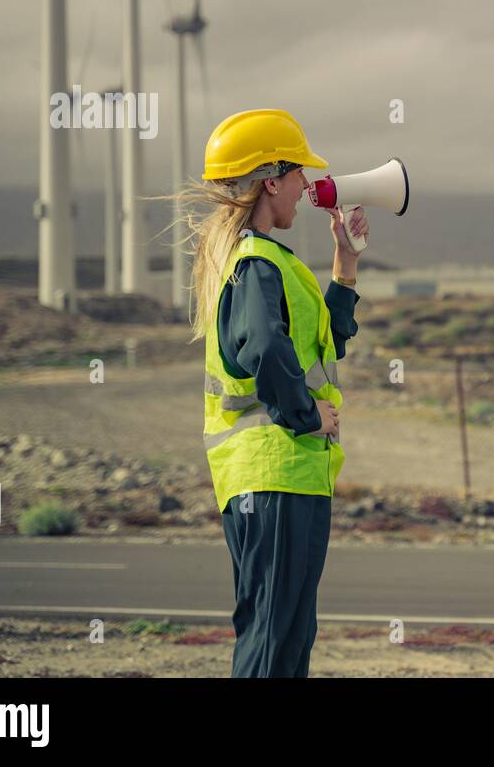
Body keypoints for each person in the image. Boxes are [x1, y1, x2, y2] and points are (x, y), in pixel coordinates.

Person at [182, 108, 368, 677]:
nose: (306, 187)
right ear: (271, 180)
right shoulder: (258, 263)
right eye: (297, 175)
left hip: (282, 477)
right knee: (273, 637)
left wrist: (345, 266)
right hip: (274, 473)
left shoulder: (264, 261)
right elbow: (264, 347)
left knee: (285, 635)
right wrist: (307, 415)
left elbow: (319, 344)